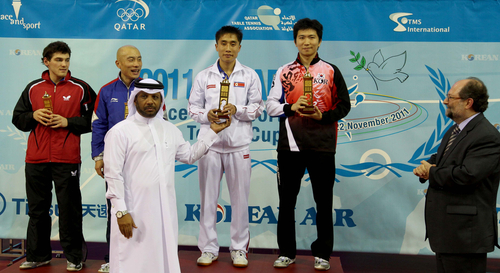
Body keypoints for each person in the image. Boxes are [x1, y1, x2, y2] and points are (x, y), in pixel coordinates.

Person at [104, 79, 231, 273]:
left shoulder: (170, 129)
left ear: (161, 100)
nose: (150, 101)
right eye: (144, 96)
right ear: (134, 99)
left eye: (155, 97)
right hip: (133, 211)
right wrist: (121, 212)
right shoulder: (120, 131)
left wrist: (212, 132)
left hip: (164, 212)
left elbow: (189, 156)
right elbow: (113, 175)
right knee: (130, 259)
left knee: (161, 259)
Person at [266, 18, 351, 271]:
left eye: (311, 37)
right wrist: (290, 107)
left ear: (319, 41)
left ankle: (323, 253)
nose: (306, 42)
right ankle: (287, 252)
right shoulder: (283, 71)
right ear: (295, 41)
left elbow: (344, 105)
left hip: (323, 147)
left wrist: (322, 116)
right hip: (289, 147)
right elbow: (270, 106)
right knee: (287, 202)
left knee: (323, 202)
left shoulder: (331, 70)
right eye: (302, 37)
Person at [12, 41, 96, 271]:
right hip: (36, 159)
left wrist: (67, 122)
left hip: (66, 158)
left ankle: (74, 257)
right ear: (46, 61)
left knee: (69, 209)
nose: (64, 64)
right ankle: (39, 255)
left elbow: (95, 121)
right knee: (38, 210)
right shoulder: (33, 88)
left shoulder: (81, 88)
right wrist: (33, 115)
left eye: (67, 59)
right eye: (58, 59)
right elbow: (18, 119)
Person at [188, 25, 264, 268]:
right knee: (208, 199)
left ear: (239, 47)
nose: (228, 48)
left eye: (233, 44)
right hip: (209, 145)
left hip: (238, 147)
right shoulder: (204, 76)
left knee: (240, 201)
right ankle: (208, 248)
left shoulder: (249, 75)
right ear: (216, 46)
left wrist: (237, 110)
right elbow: (192, 108)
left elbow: (257, 108)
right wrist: (206, 115)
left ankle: (239, 248)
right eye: (224, 43)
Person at [413, 77, 500, 273]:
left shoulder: (486, 136)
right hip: (449, 234)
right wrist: (428, 165)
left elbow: (467, 175)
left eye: (450, 97)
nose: (445, 101)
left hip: (465, 236)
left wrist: (431, 171)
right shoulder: (455, 130)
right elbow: (444, 159)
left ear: (468, 102)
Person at [91, 45, 142, 273]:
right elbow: (99, 124)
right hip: (114, 162)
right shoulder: (106, 91)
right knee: (116, 211)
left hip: (143, 160)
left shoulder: (148, 89)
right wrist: (99, 156)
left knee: (143, 210)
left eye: (139, 59)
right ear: (118, 64)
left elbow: (162, 122)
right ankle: (114, 259)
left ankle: (142, 259)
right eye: (130, 60)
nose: (136, 64)